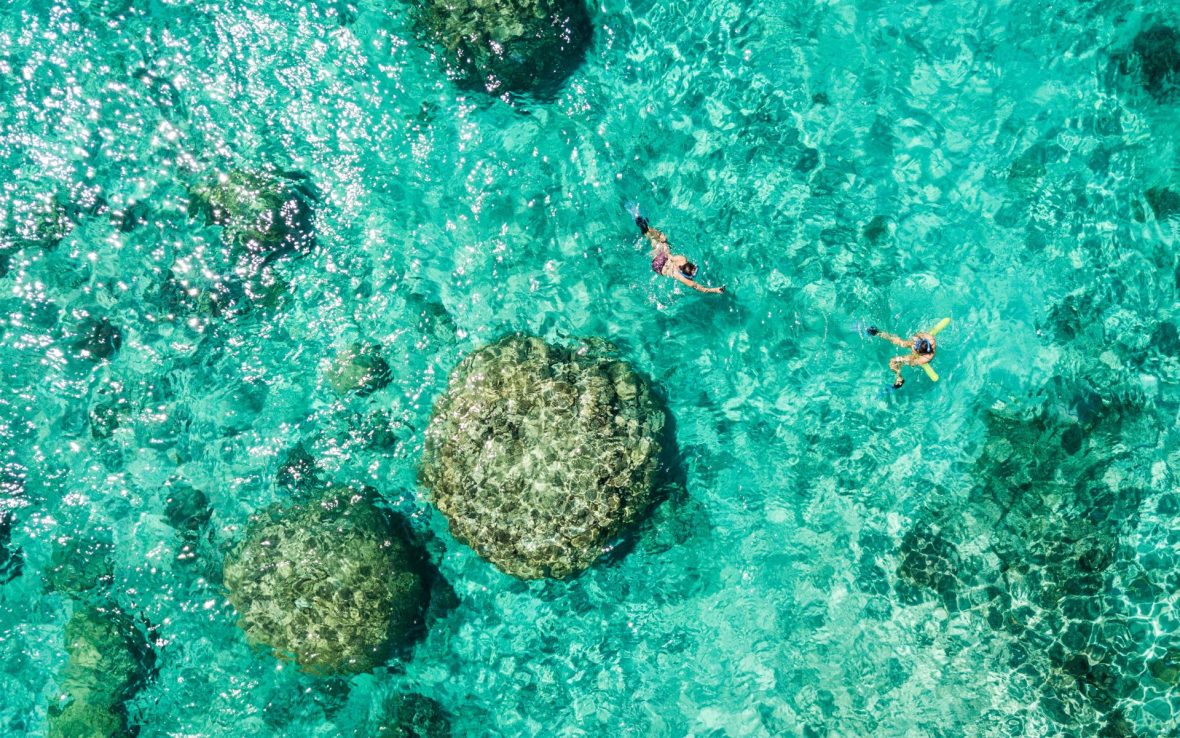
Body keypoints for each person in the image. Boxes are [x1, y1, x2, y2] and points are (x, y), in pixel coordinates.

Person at [631, 210, 724, 294]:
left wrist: (665, 243)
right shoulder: (681, 277)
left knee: (661, 240)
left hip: (663, 259)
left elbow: (669, 256)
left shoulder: (682, 259)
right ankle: (647, 232)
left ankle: (647, 229)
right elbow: (697, 286)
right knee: (658, 246)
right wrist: (715, 290)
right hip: (657, 267)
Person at [867, 326, 936, 388]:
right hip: (919, 348)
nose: (913, 346)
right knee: (899, 341)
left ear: (918, 352)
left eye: (915, 348)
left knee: (892, 362)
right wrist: (915, 338)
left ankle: (900, 378)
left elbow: (911, 362)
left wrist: (901, 359)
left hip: (915, 358)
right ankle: (878, 333)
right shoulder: (929, 338)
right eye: (915, 344)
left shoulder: (925, 358)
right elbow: (918, 334)